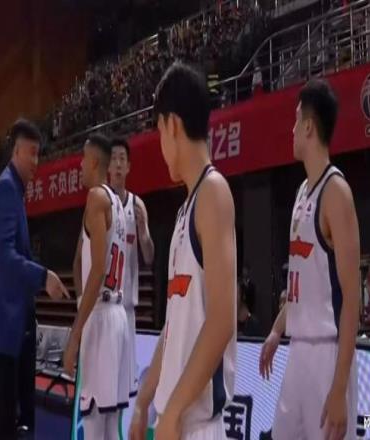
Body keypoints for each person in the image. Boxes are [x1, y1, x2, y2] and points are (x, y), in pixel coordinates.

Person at [130, 62, 237, 440]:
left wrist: (173, 411)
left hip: (196, 426)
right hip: (174, 421)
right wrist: (144, 400)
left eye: (159, 131)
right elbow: (174, 326)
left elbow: (222, 320)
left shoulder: (213, 192)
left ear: (172, 125)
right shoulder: (185, 211)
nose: (160, 145)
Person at [259, 79, 359, 440]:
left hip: (327, 356)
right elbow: (302, 288)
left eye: (295, 119)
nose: (291, 129)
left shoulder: (336, 193)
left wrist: (339, 387)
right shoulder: (303, 192)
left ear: (308, 127)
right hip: (298, 351)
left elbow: (351, 297)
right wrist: (276, 330)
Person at [0, 118, 69, 440]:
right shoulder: (6, 188)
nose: (36, 161)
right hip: (0, 329)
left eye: (39, 153)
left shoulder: (15, 190)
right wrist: (43, 277)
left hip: (9, 328)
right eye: (32, 153)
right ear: (16, 151)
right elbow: (3, 256)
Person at [63, 134, 130, 440]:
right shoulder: (117, 203)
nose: (79, 165)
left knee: (92, 425)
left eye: (82, 159)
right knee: (111, 425)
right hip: (118, 316)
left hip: (101, 317)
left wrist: (76, 333)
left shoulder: (96, 198)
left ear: (93, 162)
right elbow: (82, 260)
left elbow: (99, 268)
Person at [109, 136, 155, 397]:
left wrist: (144, 231)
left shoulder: (138, 206)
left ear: (128, 167)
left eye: (122, 159)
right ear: (107, 166)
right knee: (104, 390)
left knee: (124, 391)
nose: (117, 164)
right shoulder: (100, 202)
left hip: (127, 310)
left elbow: (149, 257)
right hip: (104, 308)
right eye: (113, 159)